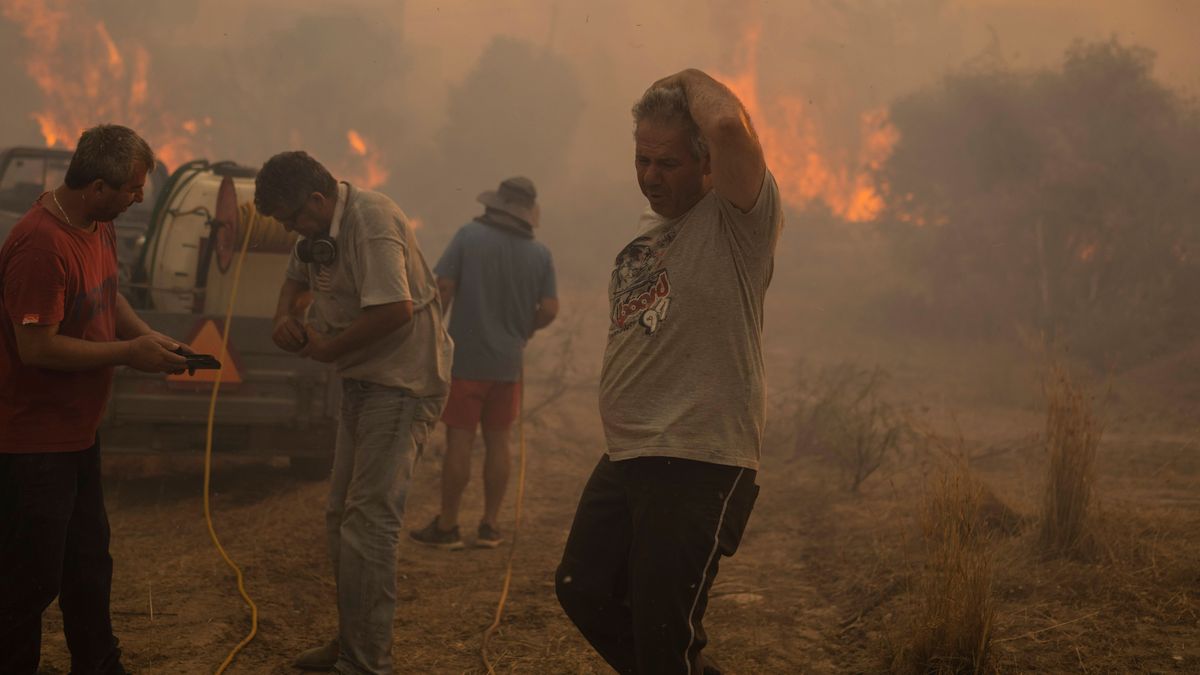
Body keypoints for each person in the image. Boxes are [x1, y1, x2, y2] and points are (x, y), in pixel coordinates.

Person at [554, 69, 784, 674]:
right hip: (630, 453)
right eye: (642, 160)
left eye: (669, 163)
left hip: (697, 457)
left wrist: (685, 78)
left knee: (664, 635)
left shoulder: (738, 224)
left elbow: (731, 125)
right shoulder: (647, 241)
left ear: (708, 167)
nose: (650, 176)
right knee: (583, 589)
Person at [0, 124, 189, 675]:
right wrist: (128, 353)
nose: (138, 199)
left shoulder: (94, 222)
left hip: (78, 432)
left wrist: (147, 336)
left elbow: (111, 293)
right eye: (132, 189)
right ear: (98, 186)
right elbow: (35, 348)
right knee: (29, 581)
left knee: (88, 564)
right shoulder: (40, 244)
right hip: (32, 441)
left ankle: (99, 665)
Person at [256, 151, 451, 674]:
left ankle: (366, 664)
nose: (290, 230)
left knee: (369, 524)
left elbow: (395, 309)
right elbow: (296, 280)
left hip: (402, 382)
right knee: (341, 517)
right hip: (363, 381)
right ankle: (351, 642)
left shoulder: (373, 220)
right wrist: (284, 317)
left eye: (291, 219)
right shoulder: (315, 227)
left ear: (318, 201)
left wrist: (328, 349)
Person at [409, 176, 558, 551]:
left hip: (467, 361)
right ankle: (490, 526)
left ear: (495, 205)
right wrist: (523, 330)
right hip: (507, 365)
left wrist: (435, 338)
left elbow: (442, 288)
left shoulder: (468, 237)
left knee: (459, 440)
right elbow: (549, 309)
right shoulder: (540, 254)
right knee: (499, 442)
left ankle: (447, 526)